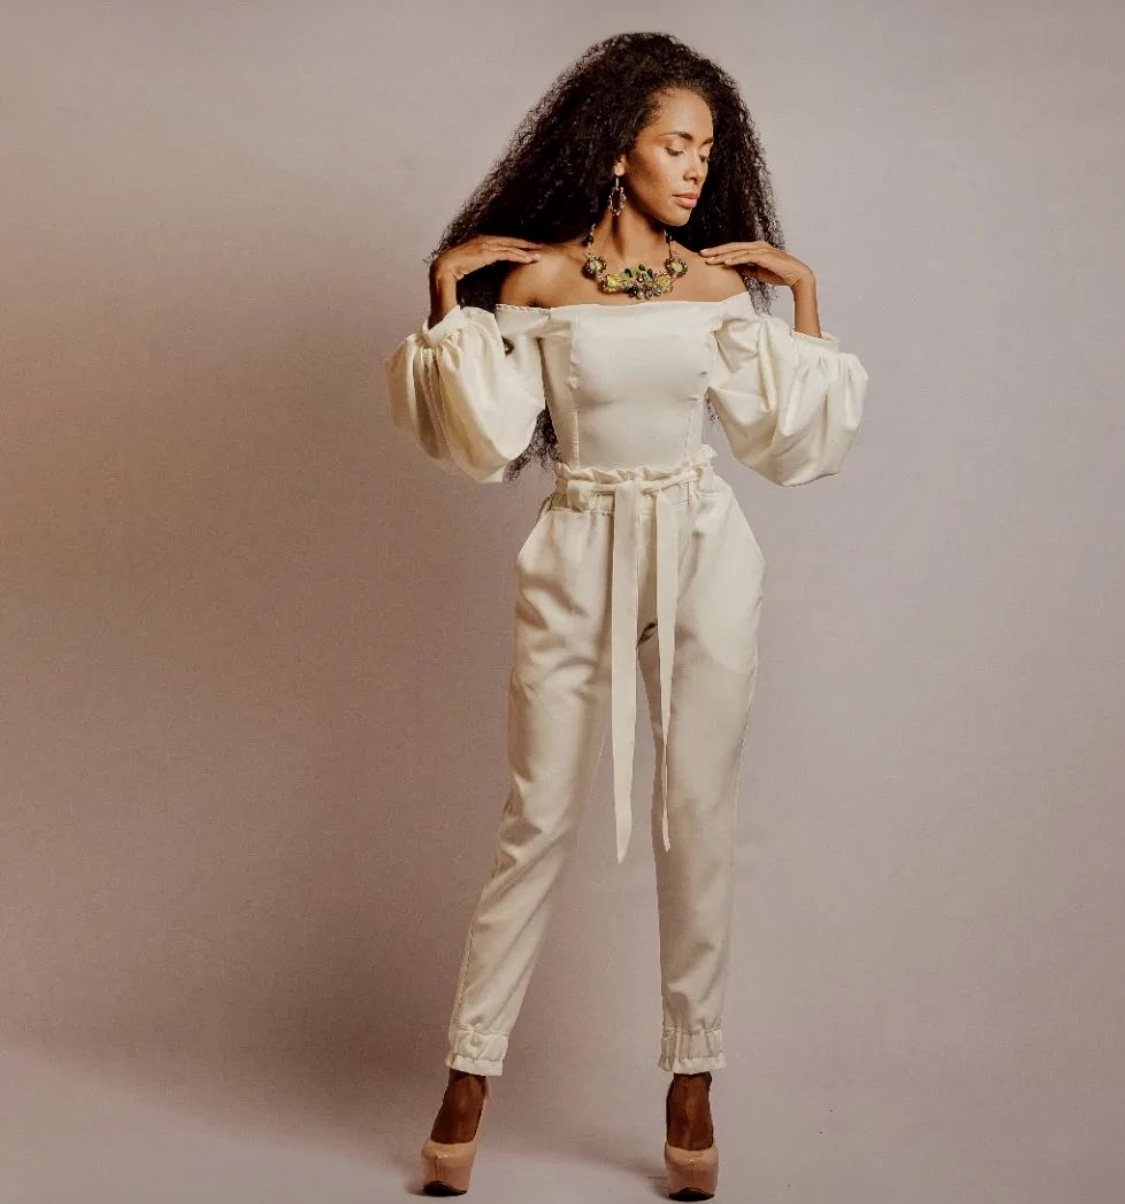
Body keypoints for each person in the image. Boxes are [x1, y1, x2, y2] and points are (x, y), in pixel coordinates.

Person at [383, 31, 868, 1199]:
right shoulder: (541, 283)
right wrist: (447, 291)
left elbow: (788, 443)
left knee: (698, 811)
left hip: (701, 548)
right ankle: (468, 1075)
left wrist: (802, 293)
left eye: (708, 149)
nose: (697, 168)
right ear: (617, 150)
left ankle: (692, 1076)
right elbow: (483, 438)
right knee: (537, 814)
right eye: (676, 144)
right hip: (579, 544)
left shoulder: (714, 288)